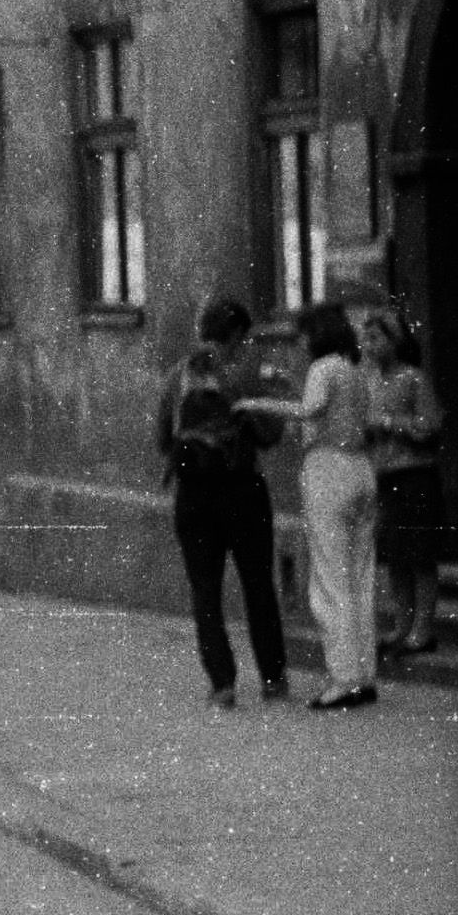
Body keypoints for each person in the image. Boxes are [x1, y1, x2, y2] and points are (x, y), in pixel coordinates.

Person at [238, 300, 378, 709]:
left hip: (328, 470)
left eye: (303, 335)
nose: (300, 342)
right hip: (361, 468)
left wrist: (255, 403)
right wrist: (288, 385)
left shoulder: (322, 368)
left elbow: (309, 410)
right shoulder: (354, 370)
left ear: (317, 334)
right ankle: (364, 673)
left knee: (330, 580)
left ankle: (343, 678)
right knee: (360, 576)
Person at [157, 299, 290, 710]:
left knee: (205, 591)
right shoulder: (245, 375)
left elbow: (163, 438)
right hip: (242, 490)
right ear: (236, 334)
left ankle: (222, 684)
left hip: (193, 495)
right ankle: (272, 678)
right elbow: (270, 434)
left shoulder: (178, 376)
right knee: (258, 585)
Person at [365, 308, 443, 655]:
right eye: (365, 339)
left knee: (419, 554)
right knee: (395, 556)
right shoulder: (369, 381)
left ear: (395, 341)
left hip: (414, 475)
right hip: (383, 477)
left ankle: (422, 631)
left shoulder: (413, 379)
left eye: (375, 338)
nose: (368, 346)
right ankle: (402, 624)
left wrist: (388, 423)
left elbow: (429, 425)